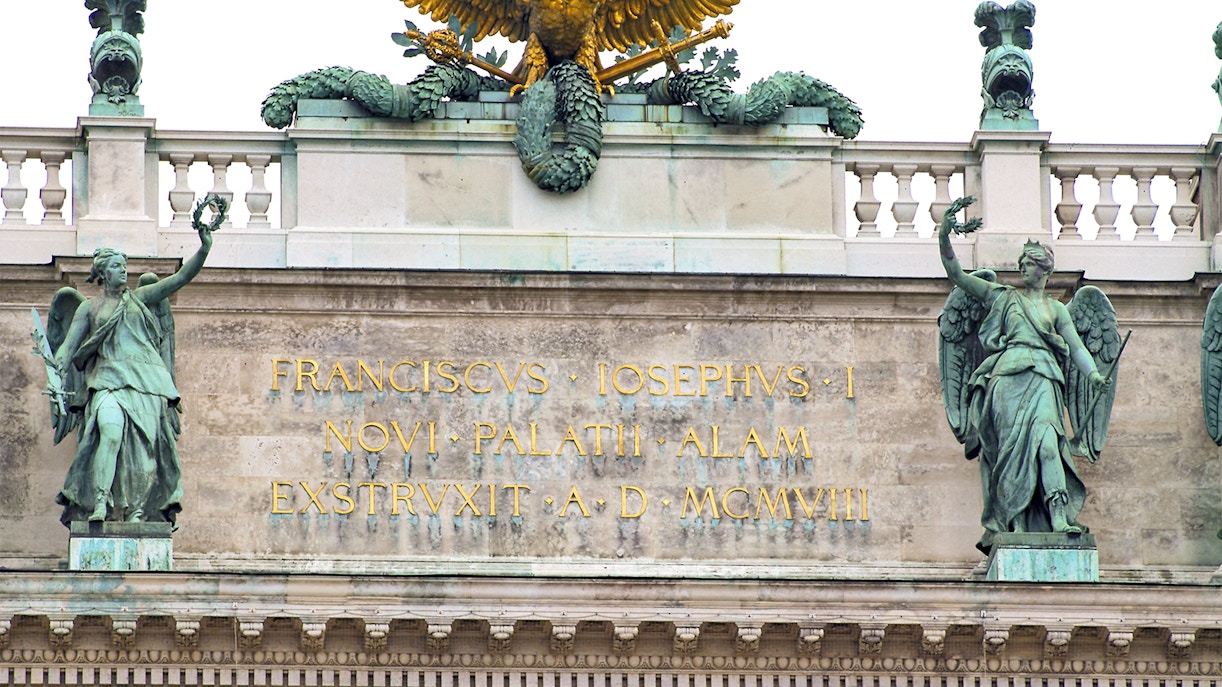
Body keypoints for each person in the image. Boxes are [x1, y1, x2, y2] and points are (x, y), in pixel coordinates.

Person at [937, 199, 1109, 554]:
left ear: (1043, 269)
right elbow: (956, 275)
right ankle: (1013, 524)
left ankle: (1058, 516)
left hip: (1044, 378)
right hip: (1005, 381)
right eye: (1020, 263)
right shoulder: (1002, 297)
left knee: (1049, 445)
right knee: (1009, 455)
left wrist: (1092, 374)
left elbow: (1076, 347)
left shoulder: (1056, 308)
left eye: (1027, 264)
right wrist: (944, 235)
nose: (1020, 268)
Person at [53, 223, 212, 525]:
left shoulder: (140, 299)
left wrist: (204, 248)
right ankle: (100, 501)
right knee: (110, 434)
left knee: (143, 453)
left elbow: (180, 278)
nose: (123, 271)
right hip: (107, 383)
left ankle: (136, 511)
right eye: (116, 266)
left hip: (144, 386)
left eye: (124, 266)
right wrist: (56, 367)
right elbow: (67, 349)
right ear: (103, 274)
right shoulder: (88, 308)